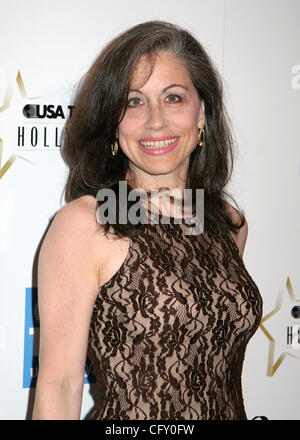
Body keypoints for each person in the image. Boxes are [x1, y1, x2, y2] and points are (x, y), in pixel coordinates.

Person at [32, 20, 263, 420]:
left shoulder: (228, 224)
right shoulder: (87, 223)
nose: (155, 120)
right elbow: (61, 386)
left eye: (173, 98)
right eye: (134, 102)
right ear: (112, 122)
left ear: (202, 112)